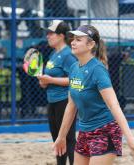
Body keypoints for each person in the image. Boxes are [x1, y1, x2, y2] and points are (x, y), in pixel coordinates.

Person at [53, 25, 134, 165]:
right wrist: (61, 137)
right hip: (84, 131)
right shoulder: (74, 68)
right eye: (73, 39)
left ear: (90, 45)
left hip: (105, 131)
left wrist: (130, 138)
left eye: (78, 39)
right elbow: (71, 106)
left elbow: (113, 105)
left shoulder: (97, 70)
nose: (73, 42)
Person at [37, 20, 77, 165]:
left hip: (66, 101)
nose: (47, 36)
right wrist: (44, 82)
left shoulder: (68, 54)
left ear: (61, 36)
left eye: (51, 33)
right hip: (52, 100)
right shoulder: (54, 54)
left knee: (69, 139)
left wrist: (51, 80)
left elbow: (75, 79)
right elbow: (50, 79)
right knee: (57, 139)